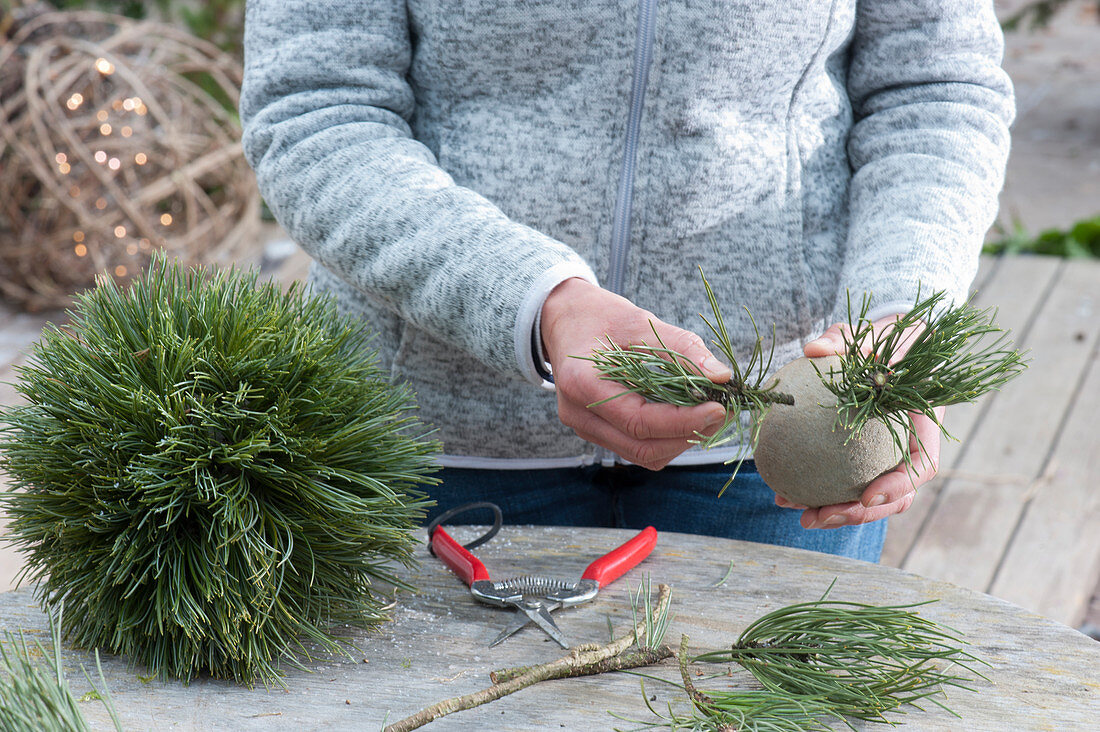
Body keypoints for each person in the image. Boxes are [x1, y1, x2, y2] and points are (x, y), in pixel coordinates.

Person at [240, 1, 1014, 562]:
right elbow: (317, 109)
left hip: (777, 444)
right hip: (429, 444)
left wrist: (900, 305)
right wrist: (534, 299)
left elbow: (935, 87)